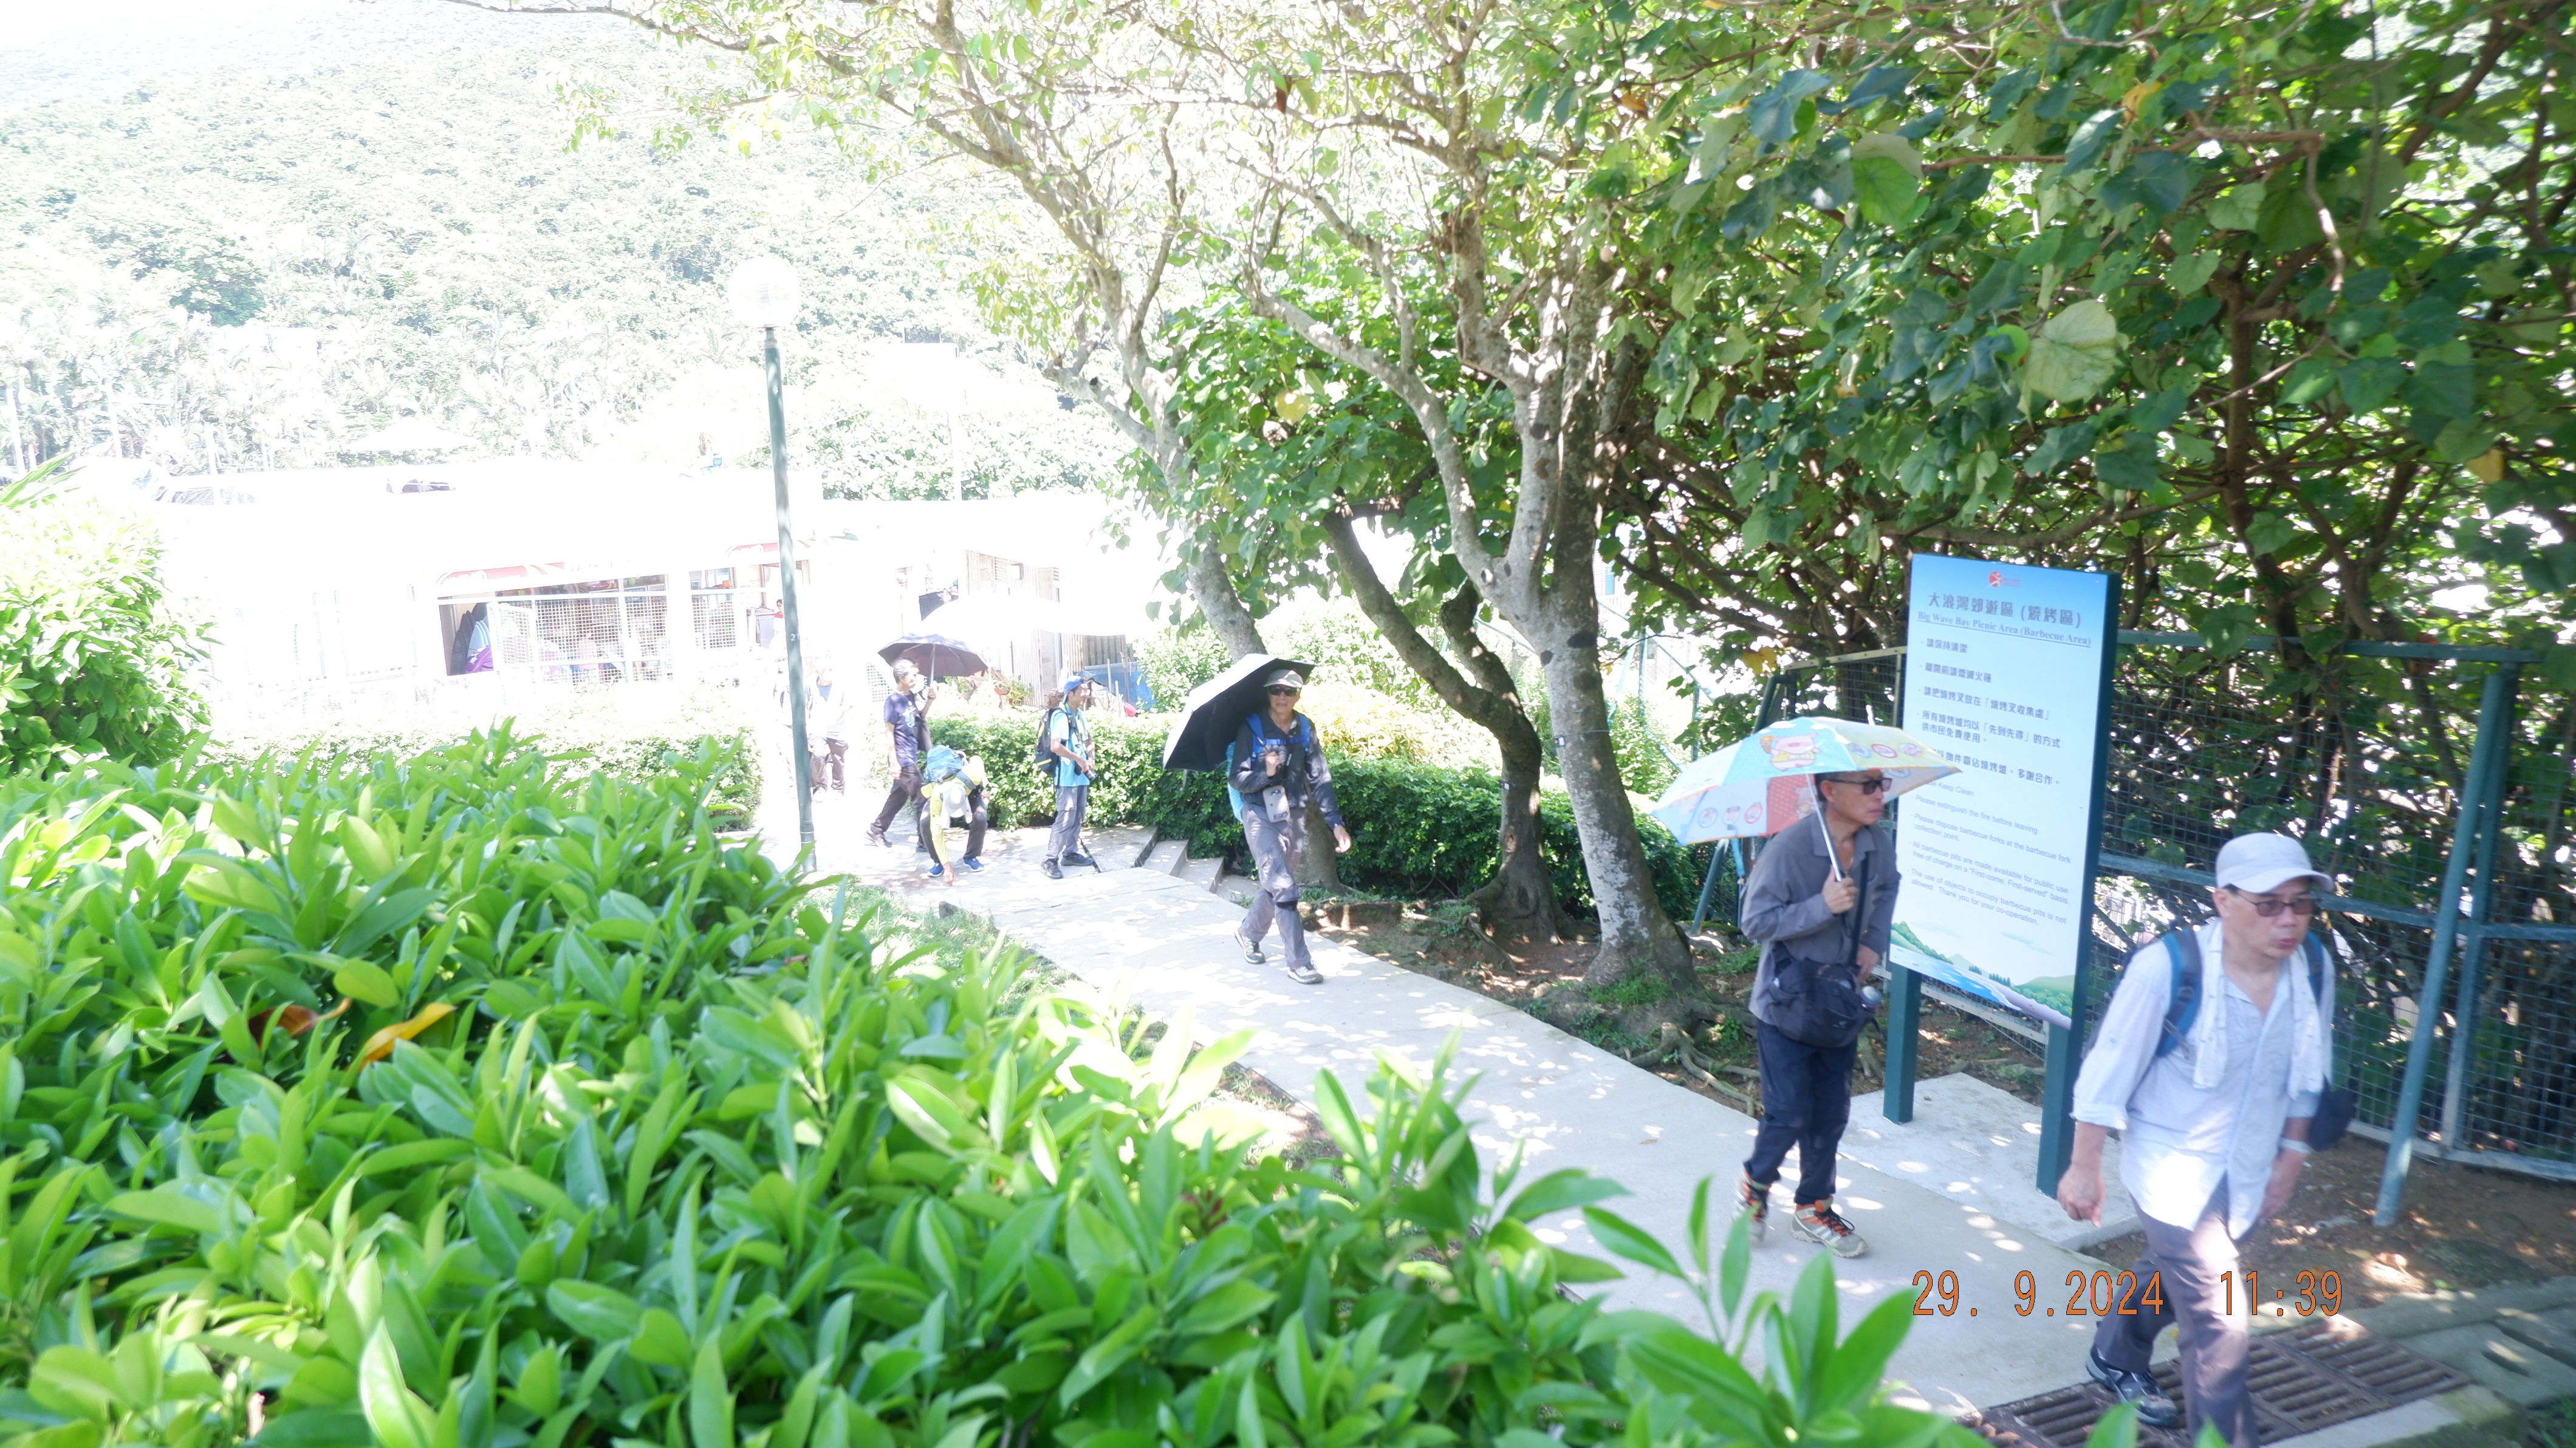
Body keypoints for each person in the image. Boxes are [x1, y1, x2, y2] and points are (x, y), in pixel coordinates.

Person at [2059, 832, 2337, 1446]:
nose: (2288, 919)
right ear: (2222, 901)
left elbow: (2307, 1071)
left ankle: (2114, 1354)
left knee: (2174, 1271)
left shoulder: (2312, 967)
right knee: (2219, 1316)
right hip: (2171, 1165)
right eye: (2268, 903)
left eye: (2300, 903)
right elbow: (2106, 1072)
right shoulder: (2168, 969)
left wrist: (2291, 1156)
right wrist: (2083, 1166)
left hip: (2250, 1163)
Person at [1734, 768, 1897, 1258]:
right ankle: (1754, 1189)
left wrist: (1873, 944)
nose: (1879, 794)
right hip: (1786, 1004)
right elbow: (1754, 922)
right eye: (1867, 785)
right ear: (1829, 790)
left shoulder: (1876, 844)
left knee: (1831, 1114)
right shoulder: (1788, 849)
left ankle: (1813, 1209)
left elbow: (1889, 890)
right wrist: (1822, 906)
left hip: (1839, 1001)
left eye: (1882, 783)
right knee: (1788, 1114)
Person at [1225, 669, 1351, 986]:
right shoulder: (1251, 728)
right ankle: (1299, 962)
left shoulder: (1305, 727)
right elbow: (1237, 778)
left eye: (1289, 691)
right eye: (1276, 690)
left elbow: (1320, 778)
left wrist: (1336, 825)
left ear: (1298, 695)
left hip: (1293, 815)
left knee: (1277, 883)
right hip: (1259, 813)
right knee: (1283, 885)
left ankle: (1248, 932)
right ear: (1267, 693)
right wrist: (1267, 773)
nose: (1282, 696)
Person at [868, 661, 938, 849]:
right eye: (913, 676)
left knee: (898, 798)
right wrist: (894, 762)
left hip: (910, 754)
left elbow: (919, 719)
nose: (916, 679)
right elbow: (889, 731)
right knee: (922, 798)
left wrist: (930, 701)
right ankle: (924, 841)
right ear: (901, 678)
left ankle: (876, 830)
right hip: (902, 758)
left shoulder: (910, 697)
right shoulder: (892, 701)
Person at [1041, 674, 1096, 879]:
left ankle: (1071, 853)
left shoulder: (1080, 715)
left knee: (1078, 816)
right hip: (1066, 778)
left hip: (1081, 776)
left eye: (1086, 690)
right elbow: (1056, 747)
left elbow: (1089, 740)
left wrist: (1091, 758)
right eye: (1081, 691)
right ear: (1070, 693)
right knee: (1065, 818)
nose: (1085, 694)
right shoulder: (1061, 716)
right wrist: (1079, 759)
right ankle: (1050, 860)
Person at [917, 745, 989, 881]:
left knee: (980, 818)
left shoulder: (973, 776)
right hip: (941, 794)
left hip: (970, 792)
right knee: (926, 822)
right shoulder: (937, 794)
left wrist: (983, 785)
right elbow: (937, 832)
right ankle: (939, 861)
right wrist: (947, 866)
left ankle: (971, 857)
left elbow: (977, 759)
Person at [807, 665, 854, 794]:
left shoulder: (841, 685)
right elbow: (805, 705)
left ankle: (838, 789)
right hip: (817, 728)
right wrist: (806, 725)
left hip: (837, 729)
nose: (828, 672)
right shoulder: (810, 685)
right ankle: (820, 788)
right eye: (824, 669)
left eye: (831, 669)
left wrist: (837, 711)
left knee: (838, 760)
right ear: (817, 671)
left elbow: (849, 704)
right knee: (817, 755)